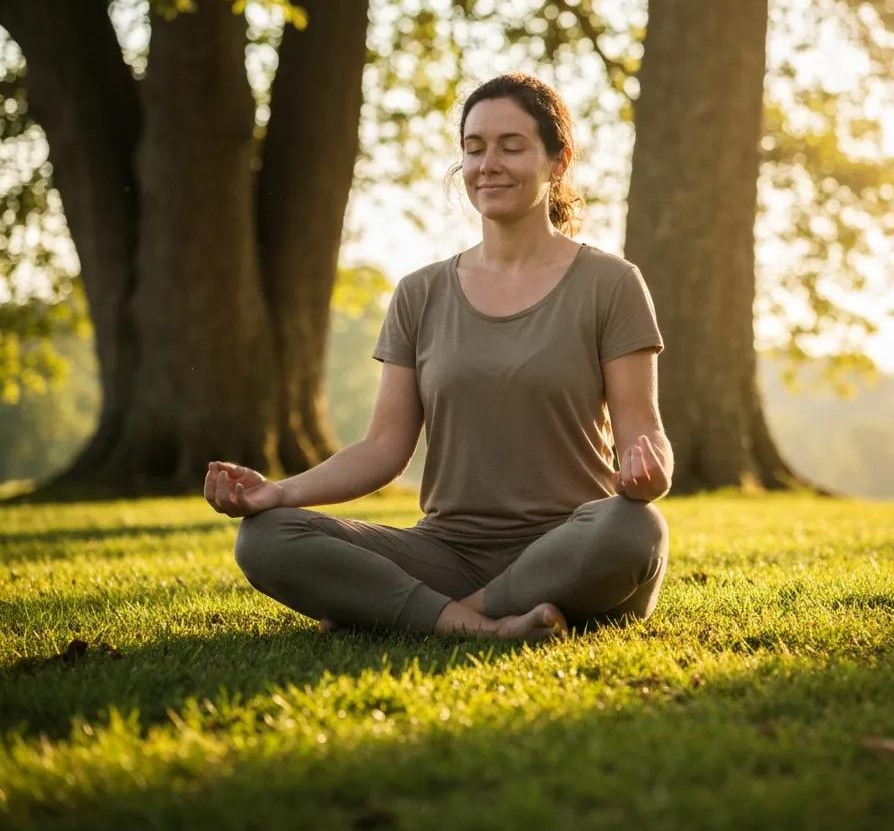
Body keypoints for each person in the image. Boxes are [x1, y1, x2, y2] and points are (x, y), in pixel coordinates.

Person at [204, 72, 672, 642]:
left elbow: (643, 432)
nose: (487, 164)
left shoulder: (611, 283)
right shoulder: (420, 293)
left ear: (557, 160)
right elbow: (383, 449)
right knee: (264, 536)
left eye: (511, 146)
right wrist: (277, 492)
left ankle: (421, 615)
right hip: (446, 551)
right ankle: (480, 624)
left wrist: (650, 475)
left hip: (571, 546)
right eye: (474, 149)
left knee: (632, 527)